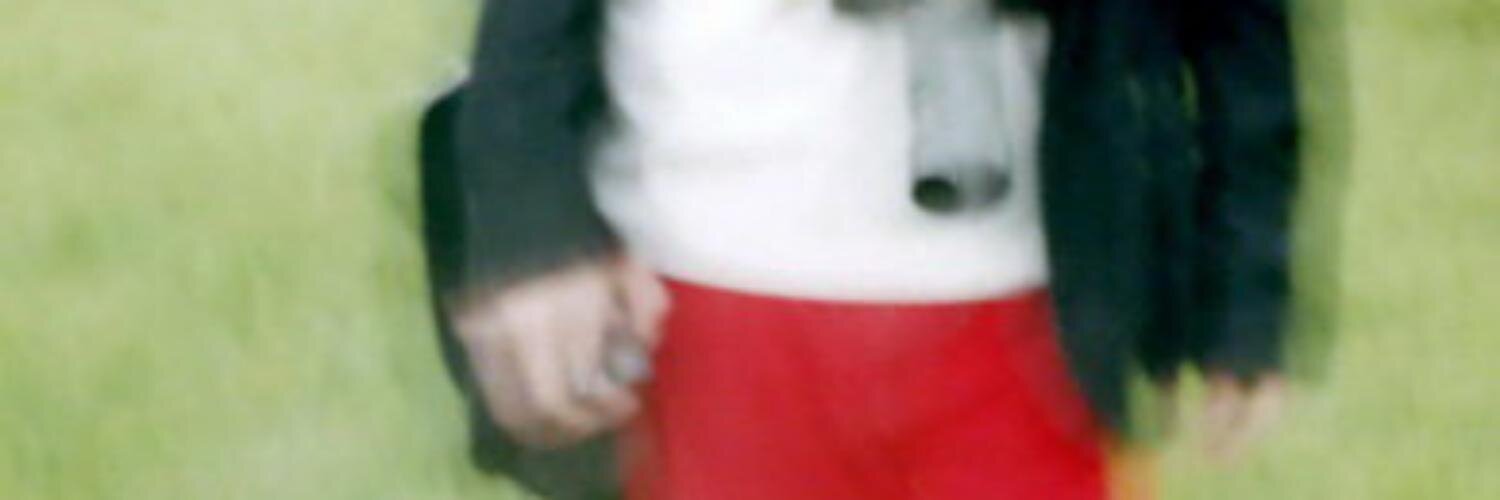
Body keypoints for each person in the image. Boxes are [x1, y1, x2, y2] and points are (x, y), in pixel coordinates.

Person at [419, 0, 1300, 498]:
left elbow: (1239, 26)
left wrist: (1244, 282)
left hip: (1029, 304)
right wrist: (533, 227)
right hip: (702, 288)